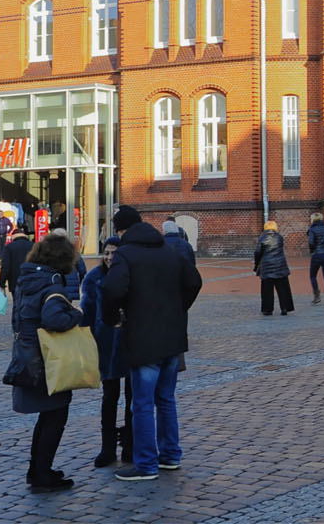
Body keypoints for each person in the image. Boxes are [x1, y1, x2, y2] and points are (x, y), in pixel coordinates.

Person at [102, 205, 203, 482]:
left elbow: (112, 289)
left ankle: (146, 463)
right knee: (166, 400)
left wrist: (113, 317)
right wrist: (179, 309)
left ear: (121, 230)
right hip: (172, 337)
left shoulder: (126, 254)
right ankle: (170, 455)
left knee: (143, 403)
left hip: (143, 337)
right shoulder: (170, 250)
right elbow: (194, 281)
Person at [9, 233, 86, 493]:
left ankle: (38, 469)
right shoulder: (52, 285)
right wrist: (75, 315)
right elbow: (54, 319)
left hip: (28, 356)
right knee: (55, 416)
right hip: (48, 361)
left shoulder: (27, 280)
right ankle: (42, 474)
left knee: (46, 416)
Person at [81, 236, 131, 468]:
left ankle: (130, 444)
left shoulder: (131, 275)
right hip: (106, 344)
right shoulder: (94, 278)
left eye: (114, 253)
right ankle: (108, 447)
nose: (109, 257)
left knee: (133, 397)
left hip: (131, 344)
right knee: (110, 396)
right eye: (107, 253)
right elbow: (88, 312)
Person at [253, 220, 294, 316]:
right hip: (280, 264)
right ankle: (285, 308)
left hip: (267, 265)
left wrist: (256, 264)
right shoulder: (279, 237)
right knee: (283, 287)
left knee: (267, 289)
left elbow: (258, 252)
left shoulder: (262, 237)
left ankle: (268, 309)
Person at [0, 225, 34, 304]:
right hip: (31, 279)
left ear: (13, 237)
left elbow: (5, 266)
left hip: (15, 280)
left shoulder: (9, 247)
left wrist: (2, 282)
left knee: (17, 304)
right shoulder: (33, 245)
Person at [305, 212, 324, 305]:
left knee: (313, 276)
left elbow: (311, 242)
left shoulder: (312, 230)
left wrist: (312, 251)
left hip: (317, 255)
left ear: (312, 219)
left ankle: (317, 296)